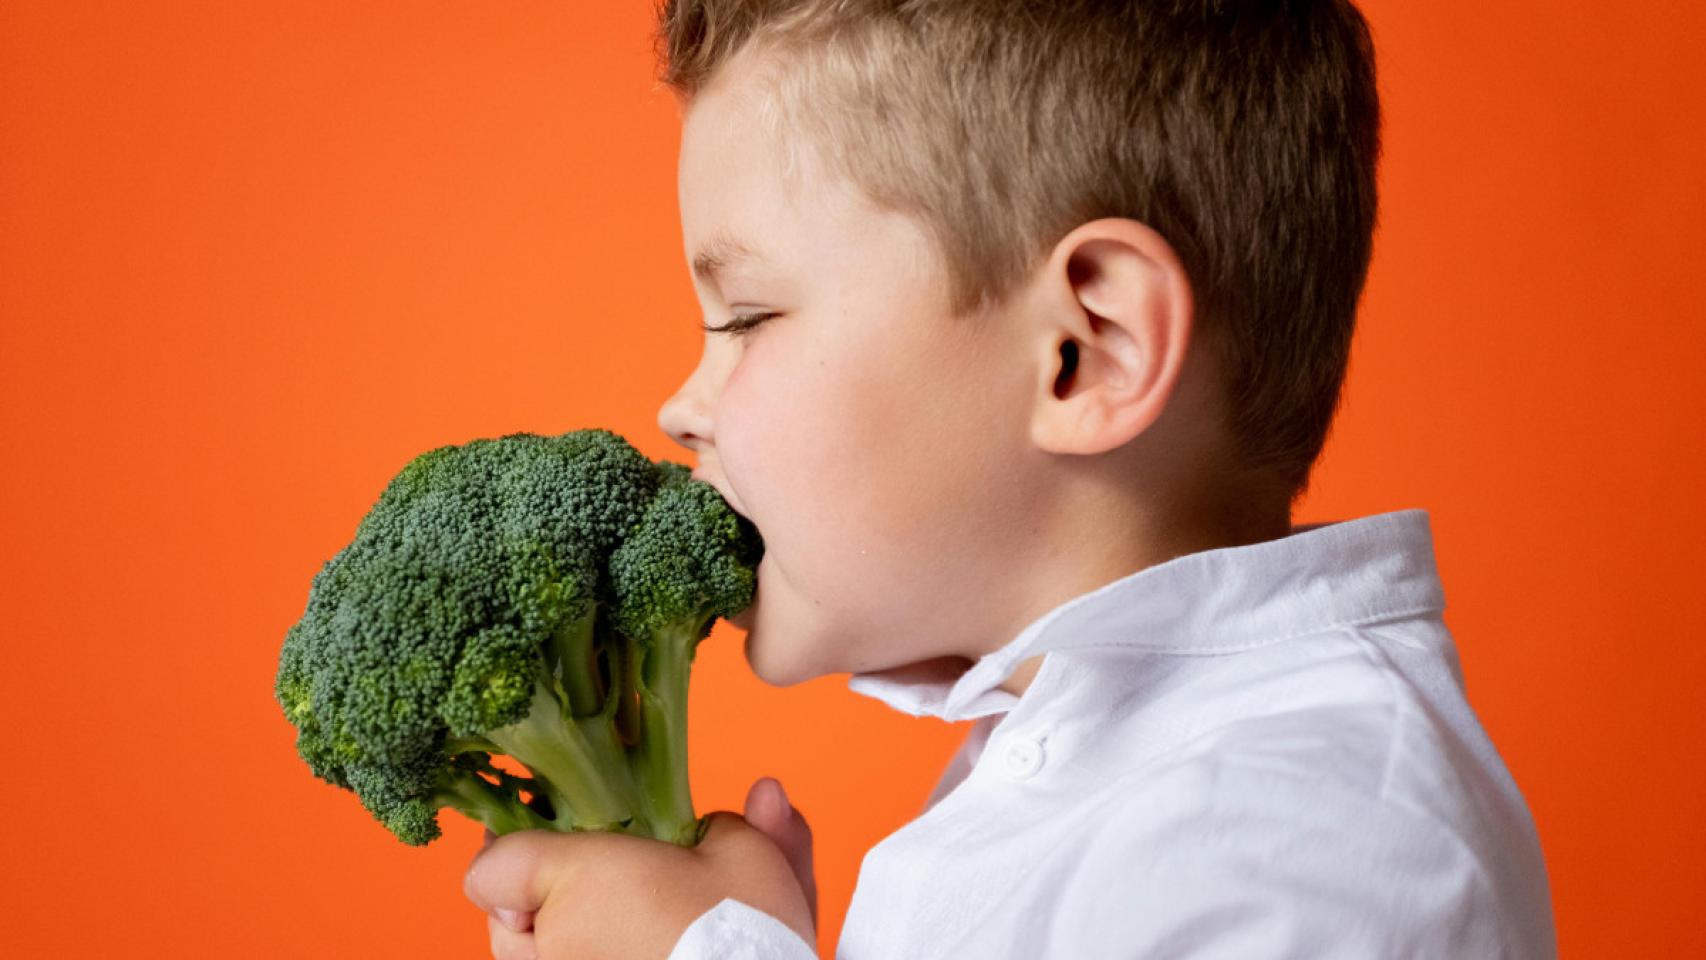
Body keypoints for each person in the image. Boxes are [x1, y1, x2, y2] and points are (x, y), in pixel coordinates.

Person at [461, 1, 1558, 956]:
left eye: (748, 317)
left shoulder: (1315, 846)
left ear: (1086, 347)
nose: (679, 409)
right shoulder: (1071, 768)